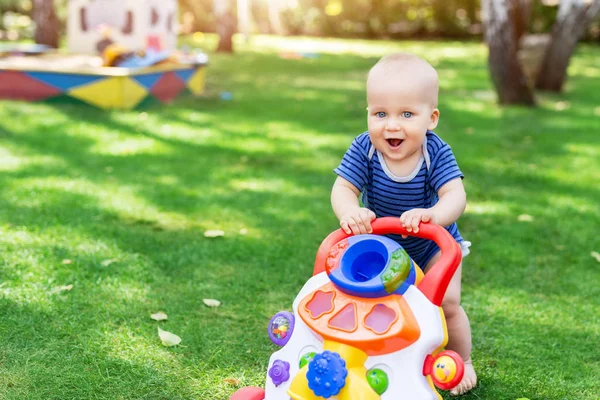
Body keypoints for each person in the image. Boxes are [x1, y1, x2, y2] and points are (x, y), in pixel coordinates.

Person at [330, 52, 477, 395]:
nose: (391, 125)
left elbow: (456, 196)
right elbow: (343, 188)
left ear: (432, 118)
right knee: (368, 301)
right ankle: (376, 355)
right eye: (380, 113)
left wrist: (433, 216)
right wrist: (350, 212)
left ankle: (462, 359)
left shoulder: (435, 153)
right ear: (368, 113)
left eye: (407, 114)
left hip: (431, 248)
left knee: (447, 303)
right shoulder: (364, 148)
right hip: (382, 247)